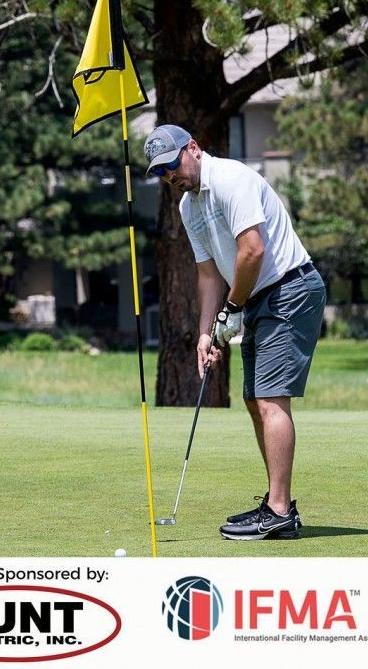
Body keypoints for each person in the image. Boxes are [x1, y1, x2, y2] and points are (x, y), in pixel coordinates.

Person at [145, 123, 326, 540]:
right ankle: (276, 504)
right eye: (161, 172)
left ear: (193, 148)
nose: (170, 176)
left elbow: (253, 250)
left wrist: (233, 308)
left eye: (172, 164)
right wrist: (206, 332)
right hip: (256, 297)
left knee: (269, 399)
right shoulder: (189, 208)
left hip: (290, 288)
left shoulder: (231, 179)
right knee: (252, 399)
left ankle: (279, 511)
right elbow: (208, 273)